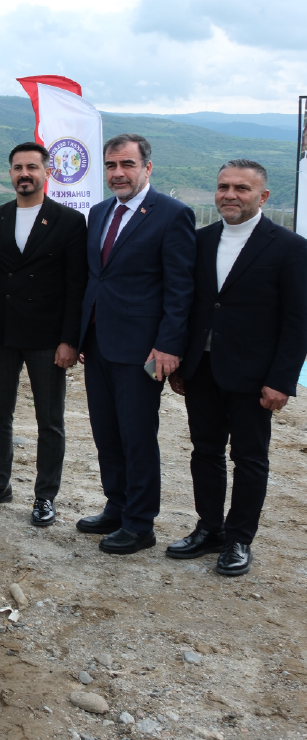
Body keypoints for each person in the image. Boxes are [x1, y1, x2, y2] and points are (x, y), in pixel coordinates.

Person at [167, 160, 307, 576]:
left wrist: (281, 380)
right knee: (205, 452)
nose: (230, 195)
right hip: (202, 368)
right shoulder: (200, 240)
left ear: (262, 196)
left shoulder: (290, 247)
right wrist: (181, 361)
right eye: (223, 187)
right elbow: (190, 305)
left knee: (249, 458)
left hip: (254, 374)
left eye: (241, 189)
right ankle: (209, 528)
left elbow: (297, 321)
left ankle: (239, 538)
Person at [76, 134, 195, 555]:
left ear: (147, 167)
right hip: (98, 343)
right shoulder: (99, 212)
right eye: (111, 165)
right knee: (106, 433)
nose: (118, 173)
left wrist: (168, 346)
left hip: (143, 351)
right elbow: (97, 278)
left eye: (127, 164)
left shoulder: (172, 214)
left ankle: (140, 523)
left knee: (137, 436)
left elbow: (180, 289)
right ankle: (117, 506)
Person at [0, 142, 87, 525]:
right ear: (10, 174)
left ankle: (45, 496)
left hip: (47, 338)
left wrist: (70, 340)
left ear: (47, 172)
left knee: (49, 420)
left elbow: (76, 286)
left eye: (32, 167)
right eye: (18, 167)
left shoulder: (69, 221)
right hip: (1, 333)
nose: (25, 174)